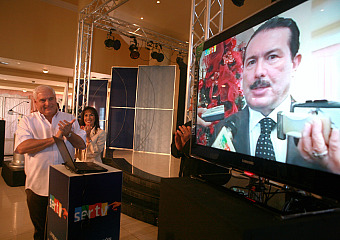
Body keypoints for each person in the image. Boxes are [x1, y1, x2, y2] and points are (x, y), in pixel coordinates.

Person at [215, 17, 340, 173]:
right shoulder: (224, 128)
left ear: (295, 63)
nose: (259, 71)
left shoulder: (324, 136)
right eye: (251, 61)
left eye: (272, 57)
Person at [14, 85, 86, 240]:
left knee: (63, 230)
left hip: (65, 186)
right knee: (40, 230)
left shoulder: (69, 118)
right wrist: (55, 139)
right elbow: (21, 147)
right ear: (35, 102)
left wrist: (69, 134)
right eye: (42, 100)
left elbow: (82, 145)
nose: (48, 103)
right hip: (37, 187)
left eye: (51, 98)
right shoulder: (27, 121)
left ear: (56, 99)